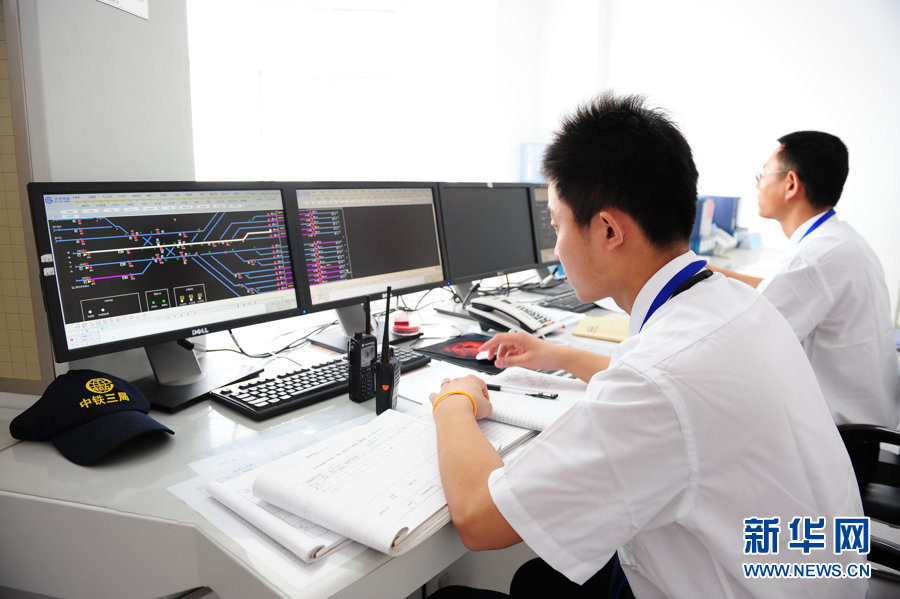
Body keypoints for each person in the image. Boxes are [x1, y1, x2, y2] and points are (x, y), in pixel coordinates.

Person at [427, 93, 866, 598]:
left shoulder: (659, 380)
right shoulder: (733, 304)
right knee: (537, 578)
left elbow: (480, 520)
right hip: (810, 572)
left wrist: (454, 402)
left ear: (609, 229)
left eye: (557, 223)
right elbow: (669, 381)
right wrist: (555, 355)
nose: (555, 245)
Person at [710, 131, 899, 428]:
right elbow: (785, 288)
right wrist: (718, 275)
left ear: (791, 184)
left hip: (841, 444)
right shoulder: (840, 240)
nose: (757, 184)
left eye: (763, 174)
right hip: (866, 427)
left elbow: (740, 342)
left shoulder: (812, 260)